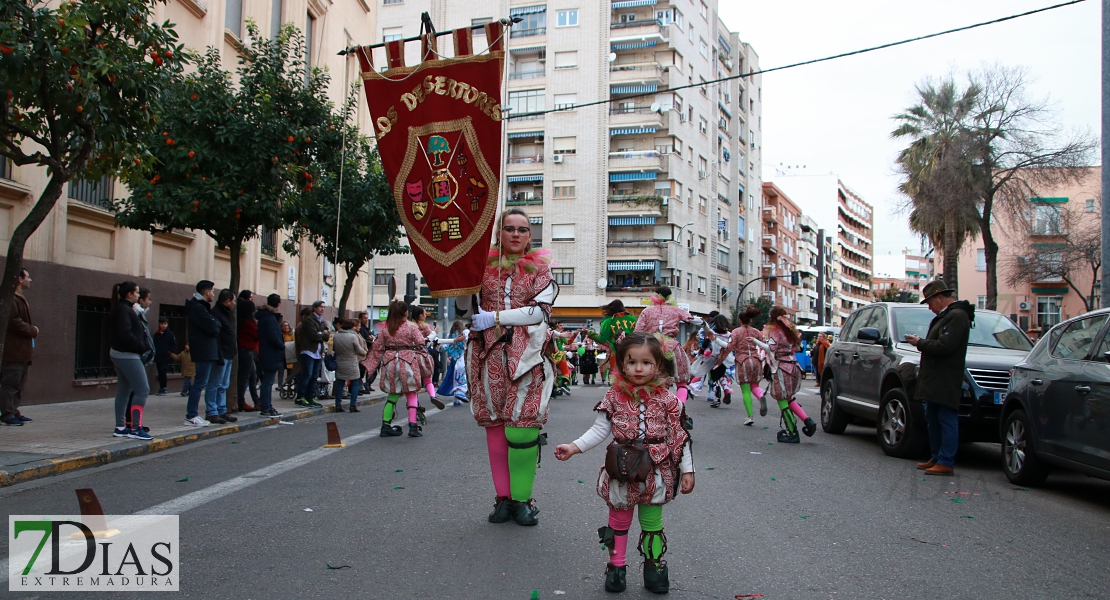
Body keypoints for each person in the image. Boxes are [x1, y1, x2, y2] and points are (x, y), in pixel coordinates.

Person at [555, 332, 694, 594]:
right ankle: (616, 568)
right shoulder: (613, 396)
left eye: (646, 363)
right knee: (618, 520)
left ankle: (654, 568)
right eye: (631, 362)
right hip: (620, 468)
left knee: (652, 523)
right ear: (621, 364)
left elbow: (679, 436)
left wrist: (688, 469)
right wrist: (574, 447)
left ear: (658, 366)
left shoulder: (669, 400)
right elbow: (599, 429)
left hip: (656, 471)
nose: (638, 368)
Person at [459, 207, 558, 527]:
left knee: (521, 428)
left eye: (523, 229)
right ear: (498, 233)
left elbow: (539, 313)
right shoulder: (479, 267)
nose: (516, 234)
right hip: (487, 354)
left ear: (530, 236)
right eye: (509, 228)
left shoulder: (540, 270)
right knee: (495, 429)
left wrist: (496, 317)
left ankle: (522, 500)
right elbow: (464, 304)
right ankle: (503, 499)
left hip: (526, 356)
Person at [904, 279, 973, 477]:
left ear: (940, 298)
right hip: (936, 379)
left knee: (946, 419)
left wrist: (920, 342)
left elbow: (945, 346)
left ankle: (946, 460)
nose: (930, 308)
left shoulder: (957, 316)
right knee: (933, 418)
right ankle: (937, 457)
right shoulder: (949, 316)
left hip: (945, 378)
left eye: (930, 303)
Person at [363, 300, 431, 437]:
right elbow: (420, 342)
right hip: (407, 362)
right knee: (411, 393)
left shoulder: (386, 329)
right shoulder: (411, 327)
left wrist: (368, 365)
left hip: (390, 363)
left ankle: (386, 425)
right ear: (406, 313)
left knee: (392, 395)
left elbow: (377, 348)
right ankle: (413, 426)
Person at [633, 286, 702, 406]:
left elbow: (637, 331)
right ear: (670, 296)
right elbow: (692, 319)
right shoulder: (676, 310)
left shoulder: (647, 311)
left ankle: (655, 407)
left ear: (656, 296)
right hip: (672, 346)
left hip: (651, 347)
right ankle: (680, 408)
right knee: (681, 381)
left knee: (655, 379)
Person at [762, 306, 816, 443]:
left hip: (781, 367)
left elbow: (771, 348)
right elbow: (799, 348)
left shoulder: (774, 331)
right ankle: (807, 421)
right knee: (789, 398)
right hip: (794, 366)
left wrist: (756, 342)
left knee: (782, 399)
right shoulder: (790, 331)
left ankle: (792, 432)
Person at [109, 281, 153, 440]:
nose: (138, 295)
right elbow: (125, 334)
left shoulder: (125, 309)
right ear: (129, 294)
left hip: (121, 353)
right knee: (142, 390)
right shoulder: (123, 311)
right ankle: (135, 428)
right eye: (136, 292)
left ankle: (121, 427)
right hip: (128, 355)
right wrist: (141, 347)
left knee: (124, 391)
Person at [1, 268, 36, 426]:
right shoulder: (12, 299)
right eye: (28, 277)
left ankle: (14, 411)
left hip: (22, 352)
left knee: (19, 384)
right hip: (13, 351)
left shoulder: (20, 298)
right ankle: (7, 414)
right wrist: (33, 330)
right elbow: (13, 321)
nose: (30, 280)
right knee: (11, 383)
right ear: (20, 279)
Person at [721, 304, 765, 426]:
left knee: (745, 389)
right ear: (750, 319)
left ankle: (750, 416)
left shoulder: (736, 332)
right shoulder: (755, 331)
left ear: (740, 320)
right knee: (755, 385)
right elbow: (764, 343)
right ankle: (761, 396)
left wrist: (720, 358)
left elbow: (729, 346)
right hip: (756, 360)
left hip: (742, 361)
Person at [184, 280, 221, 427]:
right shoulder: (198, 308)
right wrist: (215, 324)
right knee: (199, 383)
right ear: (206, 292)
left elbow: (216, 324)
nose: (213, 294)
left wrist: (215, 324)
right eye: (212, 291)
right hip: (204, 349)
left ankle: (192, 414)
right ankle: (191, 414)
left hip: (206, 349)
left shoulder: (202, 307)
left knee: (201, 383)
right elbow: (213, 327)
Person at [585, 299, 638, 382]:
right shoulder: (633, 319)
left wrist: (591, 333)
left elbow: (602, 339)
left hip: (616, 352)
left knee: (618, 377)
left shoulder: (608, 322)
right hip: (634, 352)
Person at [208, 289, 238, 424]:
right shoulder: (216, 313)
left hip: (229, 353)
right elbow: (217, 336)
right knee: (215, 383)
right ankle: (212, 411)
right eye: (233, 300)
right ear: (227, 301)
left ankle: (221, 410)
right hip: (221, 354)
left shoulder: (227, 314)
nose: (234, 303)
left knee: (223, 385)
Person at [295, 300, 330, 408]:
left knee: (315, 376)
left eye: (324, 307)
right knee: (307, 375)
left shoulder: (322, 321)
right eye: (320, 307)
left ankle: (310, 397)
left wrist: (322, 333)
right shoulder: (309, 320)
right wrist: (321, 334)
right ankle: (300, 397)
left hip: (318, 352)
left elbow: (327, 335)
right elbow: (313, 336)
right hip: (309, 351)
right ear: (314, 308)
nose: (322, 309)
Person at [255, 294, 285, 418]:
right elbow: (273, 337)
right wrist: (281, 345)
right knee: (268, 381)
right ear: (278, 304)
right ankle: (266, 407)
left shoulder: (264, 317)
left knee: (267, 381)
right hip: (271, 354)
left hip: (266, 353)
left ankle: (266, 406)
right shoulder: (270, 319)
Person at [409, 305, 445, 409]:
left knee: (413, 383)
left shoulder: (408, 326)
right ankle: (433, 395)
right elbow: (434, 340)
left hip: (408, 357)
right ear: (420, 316)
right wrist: (434, 332)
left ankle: (414, 404)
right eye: (424, 314)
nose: (425, 316)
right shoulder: (424, 326)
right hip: (421, 355)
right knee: (427, 378)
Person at [333, 319, 368, 412]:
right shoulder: (352, 336)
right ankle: (353, 405)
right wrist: (365, 352)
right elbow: (358, 350)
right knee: (355, 382)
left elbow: (333, 348)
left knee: (340, 382)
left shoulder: (336, 336)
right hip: (351, 361)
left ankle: (338, 404)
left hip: (340, 361)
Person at [701, 314, 734, 409]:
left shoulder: (712, 333)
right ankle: (726, 389)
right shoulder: (729, 334)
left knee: (714, 378)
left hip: (715, 358)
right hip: (726, 358)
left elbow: (705, 344)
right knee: (722, 375)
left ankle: (716, 399)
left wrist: (701, 351)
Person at [436, 320, 469, 405]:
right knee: (462, 376)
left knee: (455, 378)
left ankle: (457, 400)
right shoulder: (465, 333)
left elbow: (444, 347)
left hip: (454, 359)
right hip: (462, 358)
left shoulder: (450, 335)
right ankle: (460, 393)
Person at [236, 290, 260, 411]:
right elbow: (257, 334)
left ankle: (256, 401)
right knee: (245, 377)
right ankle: (241, 401)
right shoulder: (247, 322)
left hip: (247, 350)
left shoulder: (243, 320)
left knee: (252, 376)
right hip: (246, 350)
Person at [152, 317, 176, 396]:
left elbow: (173, 344)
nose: (163, 325)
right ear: (159, 324)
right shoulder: (157, 334)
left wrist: (169, 351)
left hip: (165, 356)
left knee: (163, 370)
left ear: (167, 324)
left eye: (165, 324)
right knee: (160, 372)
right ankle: (161, 387)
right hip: (158, 356)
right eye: (162, 324)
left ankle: (164, 388)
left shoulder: (170, 334)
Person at [280, 319, 295, 389]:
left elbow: (293, 343)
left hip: (289, 353)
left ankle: (289, 384)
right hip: (282, 353)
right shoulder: (281, 334)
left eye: (287, 325)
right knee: (281, 369)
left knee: (290, 370)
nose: (286, 327)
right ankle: (280, 385)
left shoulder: (291, 334)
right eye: (284, 326)